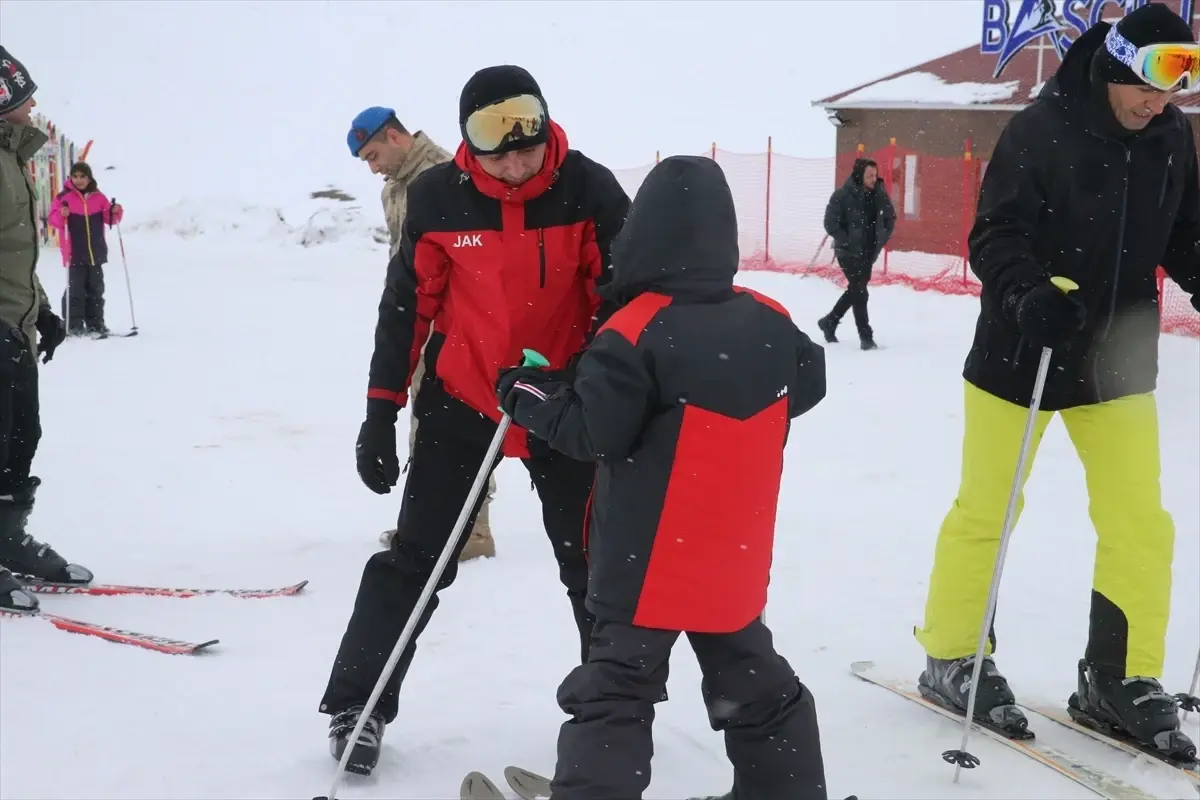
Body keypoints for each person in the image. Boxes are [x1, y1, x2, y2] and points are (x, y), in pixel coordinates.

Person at [319, 65, 631, 775]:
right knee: (419, 559)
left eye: (529, 144)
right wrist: (380, 411)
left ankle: (614, 709)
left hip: (564, 403)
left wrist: (602, 388)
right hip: (466, 400)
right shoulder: (438, 198)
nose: (519, 164)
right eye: (500, 150)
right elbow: (406, 309)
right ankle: (358, 705)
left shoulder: (589, 189)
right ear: (469, 146)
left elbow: (624, 299)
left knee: (595, 564)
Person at [494, 155, 832, 800]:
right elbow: (807, 383)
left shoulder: (634, 330)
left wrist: (527, 390)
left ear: (641, 236)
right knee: (753, 677)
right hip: (731, 551)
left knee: (617, 689)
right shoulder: (769, 318)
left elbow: (595, 432)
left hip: (646, 556)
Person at [913, 3, 1200, 759]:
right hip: (1025, 355)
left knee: (1142, 522)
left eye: (1182, 82)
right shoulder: (1042, 130)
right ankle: (952, 653)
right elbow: (994, 234)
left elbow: (1187, 234)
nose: (1162, 101)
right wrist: (1027, 293)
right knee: (989, 509)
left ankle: (1120, 677)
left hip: (1120, 362)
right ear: (1120, 64)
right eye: (1156, 79)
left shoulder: (1172, 138)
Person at [346, 105, 497, 561]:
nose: (373, 169)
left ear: (394, 136)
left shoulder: (445, 176)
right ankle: (435, 527)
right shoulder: (396, 188)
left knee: (457, 425)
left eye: (373, 155)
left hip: (453, 328)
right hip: (417, 323)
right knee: (425, 426)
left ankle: (471, 534)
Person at [0, 46, 91, 615]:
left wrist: (39, 314)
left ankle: (6, 537)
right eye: (22, 96)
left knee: (18, 439)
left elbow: (11, 254)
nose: (34, 105)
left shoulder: (11, 159)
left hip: (13, 325)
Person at [817, 157, 895, 351]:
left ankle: (830, 321)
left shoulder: (879, 194)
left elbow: (890, 217)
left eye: (875, 175)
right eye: (869, 175)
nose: (873, 179)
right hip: (848, 252)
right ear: (859, 175)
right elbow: (830, 223)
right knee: (860, 291)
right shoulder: (842, 196)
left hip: (868, 252)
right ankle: (866, 337)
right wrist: (846, 240)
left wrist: (882, 237)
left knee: (855, 289)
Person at [46, 161, 124, 337]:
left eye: (83, 177)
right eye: (75, 176)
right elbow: (53, 220)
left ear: (89, 178)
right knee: (76, 290)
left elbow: (109, 219)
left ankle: (95, 324)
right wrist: (62, 214)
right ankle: (73, 325)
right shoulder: (63, 198)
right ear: (70, 178)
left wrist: (114, 211)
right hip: (75, 252)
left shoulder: (98, 197)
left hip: (95, 252)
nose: (79, 180)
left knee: (96, 289)